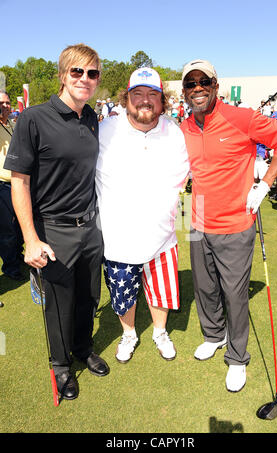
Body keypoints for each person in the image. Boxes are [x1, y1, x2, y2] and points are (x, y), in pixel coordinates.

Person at [180, 59, 277, 392]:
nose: (198, 87)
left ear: (216, 86)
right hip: (193, 216)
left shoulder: (242, 118)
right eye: (191, 83)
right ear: (185, 92)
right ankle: (214, 335)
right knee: (204, 288)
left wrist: (266, 182)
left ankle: (236, 357)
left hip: (235, 221)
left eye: (205, 81)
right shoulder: (184, 127)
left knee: (234, 294)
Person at [4, 43, 110, 401]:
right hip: (54, 228)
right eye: (77, 71)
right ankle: (61, 365)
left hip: (90, 228)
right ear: (63, 75)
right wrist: (31, 239)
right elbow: (20, 181)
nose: (85, 79)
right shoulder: (34, 118)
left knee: (88, 297)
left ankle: (83, 348)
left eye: (92, 73)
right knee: (59, 303)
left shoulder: (92, 118)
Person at [96, 67, 189, 363]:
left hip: (163, 235)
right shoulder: (104, 130)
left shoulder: (175, 131)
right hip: (116, 238)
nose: (145, 101)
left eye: (153, 95)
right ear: (127, 98)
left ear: (162, 100)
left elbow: (188, 172)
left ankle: (160, 332)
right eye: (138, 94)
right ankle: (129, 334)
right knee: (123, 295)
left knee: (161, 291)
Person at [0, 90, 24, 280]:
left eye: (8, 103)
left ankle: (17, 256)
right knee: (7, 230)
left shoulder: (11, 124)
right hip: (2, 185)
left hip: (17, 184)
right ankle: (10, 267)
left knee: (20, 227)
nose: (5, 106)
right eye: (1, 103)